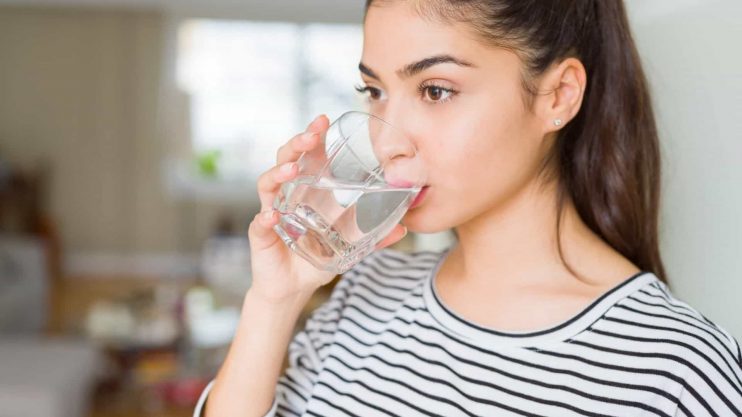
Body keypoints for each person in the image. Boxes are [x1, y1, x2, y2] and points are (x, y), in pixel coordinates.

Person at [196, 1, 742, 416]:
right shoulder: (367, 289)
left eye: (435, 90)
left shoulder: (674, 370)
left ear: (558, 96)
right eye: (375, 91)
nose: (387, 143)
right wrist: (274, 299)